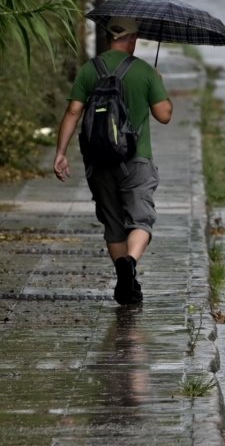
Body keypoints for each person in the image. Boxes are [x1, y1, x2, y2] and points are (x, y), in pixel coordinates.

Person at [53, 17, 173, 305]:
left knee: (113, 224)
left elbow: (72, 113)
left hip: (99, 161)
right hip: (136, 160)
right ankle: (129, 264)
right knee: (141, 220)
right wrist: (157, 83)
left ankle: (127, 285)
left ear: (108, 38)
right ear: (132, 39)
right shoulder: (144, 71)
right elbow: (165, 115)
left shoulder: (89, 69)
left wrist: (60, 153)